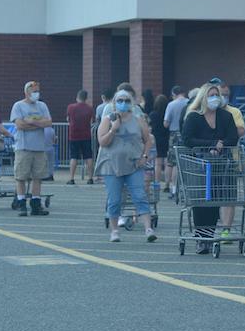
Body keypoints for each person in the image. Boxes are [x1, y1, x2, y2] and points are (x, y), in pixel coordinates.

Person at [180, 81, 239, 254]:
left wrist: (221, 145)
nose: (215, 98)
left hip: (221, 165)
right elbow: (187, 139)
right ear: (203, 98)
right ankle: (201, 236)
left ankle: (209, 234)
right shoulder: (193, 116)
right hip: (199, 165)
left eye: (217, 96)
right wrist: (211, 144)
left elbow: (233, 137)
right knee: (200, 200)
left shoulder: (225, 116)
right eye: (211, 95)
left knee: (215, 200)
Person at [96, 88, 156, 243]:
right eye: (120, 101)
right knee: (114, 199)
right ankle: (115, 231)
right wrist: (113, 129)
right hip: (111, 165)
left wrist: (144, 156)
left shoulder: (138, 120)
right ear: (114, 103)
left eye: (127, 100)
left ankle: (148, 229)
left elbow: (148, 140)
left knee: (140, 196)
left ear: (132, 103)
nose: (123, 103)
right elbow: (102, 142)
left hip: (134, 164)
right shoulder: (107, 120)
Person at [211, 78, 245, 241]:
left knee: (228, 196)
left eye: (226, 95)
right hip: (208, 159)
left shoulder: (234, 112)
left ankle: (226, 229)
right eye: (220, 94)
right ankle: (208, 226)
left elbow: (240, 131)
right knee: (209, 196)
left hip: (228, 159)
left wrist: (222, 137)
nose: (223, 97)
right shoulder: (204, 112)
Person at [10, 80, 52, 215]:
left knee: (37, 177)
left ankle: (35, 203)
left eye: (38, 91)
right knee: (21, 177)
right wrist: (39, 124)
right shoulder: (18, 106)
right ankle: (21, 202)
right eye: (34, 91)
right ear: (27, 92)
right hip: (23, 147)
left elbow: (48, 122)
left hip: (39, 147)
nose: (37, 94)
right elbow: (19, 125)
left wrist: (32, 121)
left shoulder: (42, 106)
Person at [162, 84, 189, 195]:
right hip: (186, 133)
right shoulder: (189, 103)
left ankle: (170, 186)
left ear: (174, 94)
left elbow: (166, 123)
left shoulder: (171, 104)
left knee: (171, 162)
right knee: (182, 162)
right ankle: (181, 187)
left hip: (174, 134)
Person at [66, 90, 95, 185]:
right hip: (86, 135)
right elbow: (91, 120)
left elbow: (68, 119)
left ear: (77, 97)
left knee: (73, 157)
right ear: (86, 98)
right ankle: (90, 178)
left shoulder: (70, 107)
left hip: (74, 135)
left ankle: (71, 178)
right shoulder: (89, 108)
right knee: (88, 157)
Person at [150, 93, 169, 190]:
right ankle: (167, 184)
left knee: (157, 163)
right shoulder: (167, 114)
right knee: (166, 162)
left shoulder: (153, 114)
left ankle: (156, 184)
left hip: (156, 139)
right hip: (166, 138)